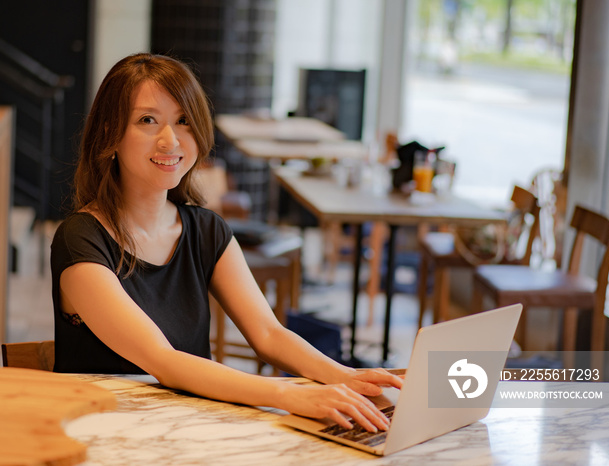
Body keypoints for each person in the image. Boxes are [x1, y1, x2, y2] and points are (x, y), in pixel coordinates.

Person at [51, 53, 402, 433]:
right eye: (148, 120)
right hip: (102, 434)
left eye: (183, 120)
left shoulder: (207, 230)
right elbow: (162, 359)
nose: (170, 140)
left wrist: (343, 375)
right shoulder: (80, 240)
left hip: (187, 430)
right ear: (110, 133)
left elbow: (268, 334)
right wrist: (288, 396)